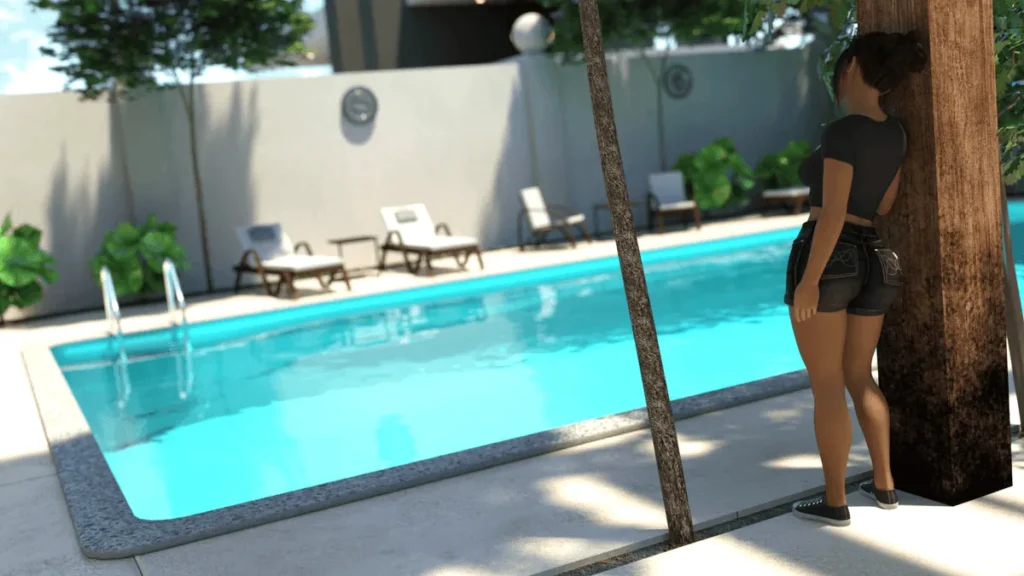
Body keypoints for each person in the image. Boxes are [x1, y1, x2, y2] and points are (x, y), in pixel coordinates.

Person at [785, 30, 928, 526]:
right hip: (876, 258)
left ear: (849, 69)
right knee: (859, 375)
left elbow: (832, 214)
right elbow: (884, 204)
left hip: (833, 256)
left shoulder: (841, 131)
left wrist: (810, 280)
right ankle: (885, 487)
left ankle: (835, 502)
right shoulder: (896, 134)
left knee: (826, 384)